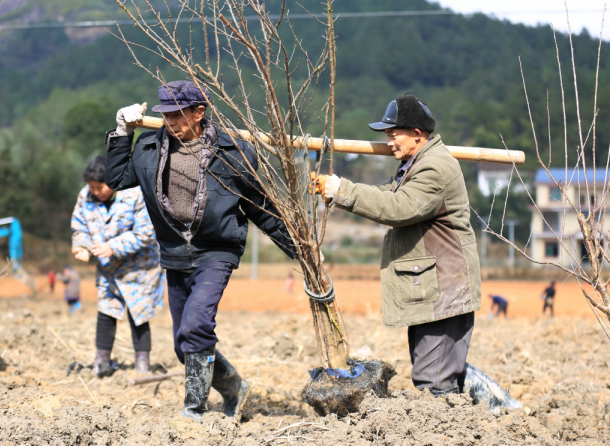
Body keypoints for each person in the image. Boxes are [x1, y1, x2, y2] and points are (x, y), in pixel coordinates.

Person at [310, 94, 523, 412]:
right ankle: (503, 409)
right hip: (432, 290)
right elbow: (385, 194)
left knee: (433, 379)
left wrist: (342, 190)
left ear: (417, 134)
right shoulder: (414, 166)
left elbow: (398, 207)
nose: (389, 139)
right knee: (441, 369)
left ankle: (459, 425)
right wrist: (339, 192)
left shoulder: (435, 168)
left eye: (394, 133)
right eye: (387, 134)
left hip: (444, 291)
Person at [104, 80, 296, 420]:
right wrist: (122, 132)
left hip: (216, 251)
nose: (172, 123)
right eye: (166, 116)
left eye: (179, 115)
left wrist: (299, 250)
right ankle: (234, 386)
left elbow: (260, 207)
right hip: (175, 253)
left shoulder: (233, 152)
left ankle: (193, 408)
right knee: (184, 345)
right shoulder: (149, 148)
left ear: (199, 112)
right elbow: (117, 179)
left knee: (196, 327)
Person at [71, 156, 165, 378]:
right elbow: (80, 226)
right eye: (91, 187)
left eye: (100, 187)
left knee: (138, 315)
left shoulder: (135, 194)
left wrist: (113, 246)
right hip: (108, 269)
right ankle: (101, 363)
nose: (95, 191)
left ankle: (143, 365)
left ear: (112, 181)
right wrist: (81, 246)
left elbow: (146, 233)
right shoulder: (85, 196)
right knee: (106, 312)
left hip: (139, 269)